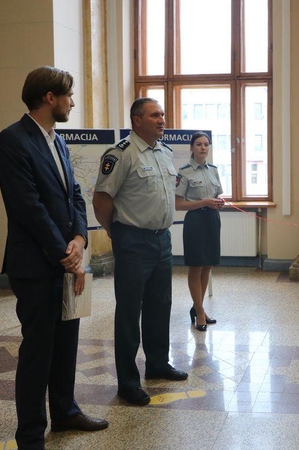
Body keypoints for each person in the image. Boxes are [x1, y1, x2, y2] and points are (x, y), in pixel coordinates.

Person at [0, 66, 108, 449]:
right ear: (49, 98)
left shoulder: (55, 140)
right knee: (38, 352)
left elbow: (73, 193)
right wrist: (66, 253)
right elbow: (29, 207)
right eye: (69, 96)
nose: (72, 102)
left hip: (64, 258)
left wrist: (79, 237)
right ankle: (29, 435)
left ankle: (65, 412)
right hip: (35, 266)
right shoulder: (12, 140)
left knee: (66, 344)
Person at [93, 98, 187, 407]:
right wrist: (115, 232)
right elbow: (102, 200)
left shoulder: (164, 152)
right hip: (132, 241)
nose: (162, 119)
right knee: (130, 312)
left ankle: (158, 364)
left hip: (162, 240)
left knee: (161, 306)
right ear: (137, 121)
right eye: (154, 115)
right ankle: (128, 382)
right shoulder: (121, 155)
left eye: (162, 114)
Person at [175, 132, 224, 331]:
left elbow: (217, 195)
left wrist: (218, 204)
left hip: (212, 220)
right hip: (195, 221)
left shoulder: (213, 170)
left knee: (207, 266)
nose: (203, 148)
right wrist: (203, 202)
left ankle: (198, 308)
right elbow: (179, 205)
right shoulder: (184, 171)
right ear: (192, 148)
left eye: (206, 144)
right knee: (195, 267)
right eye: (198, 144)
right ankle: (200, 312)